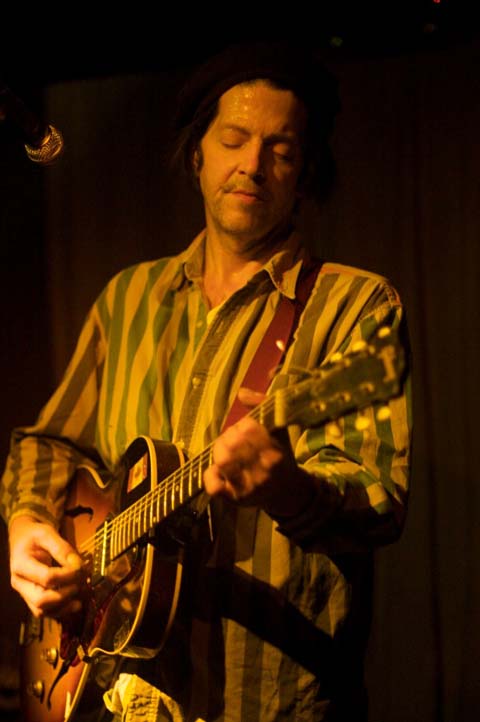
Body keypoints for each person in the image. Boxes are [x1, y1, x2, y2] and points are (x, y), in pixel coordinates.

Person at [0, 42, 412, 721]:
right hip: (115, 691)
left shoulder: (358, 307)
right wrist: (25, 528)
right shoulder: (127, 298)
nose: (252, 164)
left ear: (305, 173)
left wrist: (292, 488)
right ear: (198, 157)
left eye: (280, 150)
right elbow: (49, 446)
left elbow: (381, 499)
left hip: (270, 701)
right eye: (233, 140)